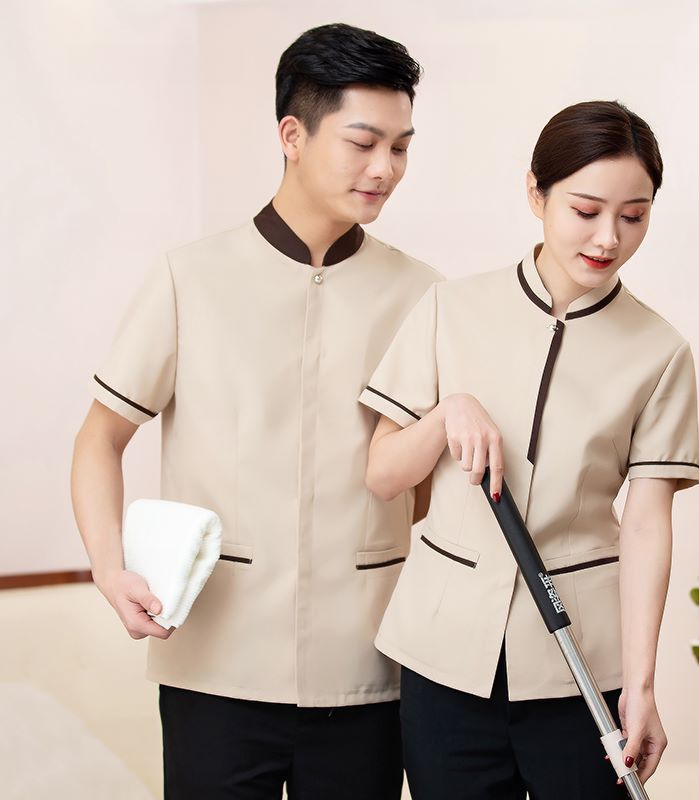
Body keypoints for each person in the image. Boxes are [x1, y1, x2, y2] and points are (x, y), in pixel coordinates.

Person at [71, 23, 440, 800]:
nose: (385, 169)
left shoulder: (423, 296)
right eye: (363, 142)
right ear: (292, 135)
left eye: (401, 147)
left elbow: (426, 488)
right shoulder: (190, 279)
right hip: (214, 662)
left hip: (367, 665)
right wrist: (110, 568)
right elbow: (100, 439)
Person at [360, 100, 699, 799]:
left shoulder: (660, 352)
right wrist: (446, 415)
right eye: (586, 210)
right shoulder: (449, 309)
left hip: (580, 668)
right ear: (536, 194)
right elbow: (384, 476)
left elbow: (646, 524)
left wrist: (640, 688)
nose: (608, 237)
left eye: (634, 216)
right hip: (444, 658)